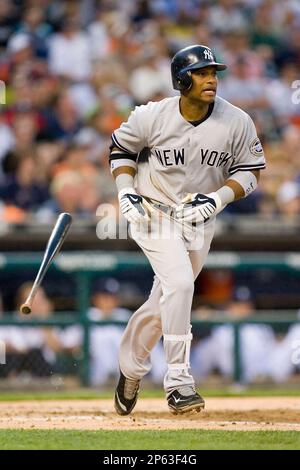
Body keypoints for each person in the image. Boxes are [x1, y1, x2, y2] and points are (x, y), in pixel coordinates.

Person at [110, 44, 266, 415]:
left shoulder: (237, 120)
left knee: (164, 301)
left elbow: (251, 170)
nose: (211, 78)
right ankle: (178, 382)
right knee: (180, 284)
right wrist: (125, 192)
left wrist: (219, 199)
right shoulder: (153, 115)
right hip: (153, 212)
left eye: (213, 72)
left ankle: (131, 368)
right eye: (201, 72)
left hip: (199, 218)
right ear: (182, 79)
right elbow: (121, 150)